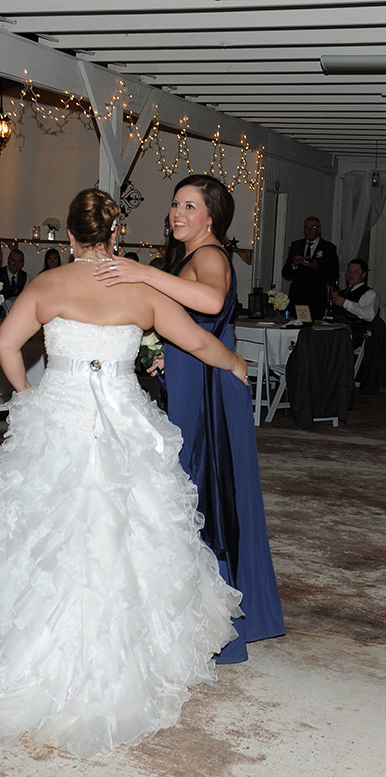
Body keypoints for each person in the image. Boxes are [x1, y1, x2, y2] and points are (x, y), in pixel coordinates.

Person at [0, 188, 249, 758]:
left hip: (59, 418)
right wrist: (236, 363)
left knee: (44, 535)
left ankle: (32, 650)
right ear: (116, 235)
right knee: (131, 531)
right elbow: (197, 340)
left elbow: (6, 344)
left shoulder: (46, 285)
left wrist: (28, 396)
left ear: (69, 236)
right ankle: (130, 657)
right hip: (124, 419)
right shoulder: (141, 289)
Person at [94, 174, 285, 664]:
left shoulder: (210, 255)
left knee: (207, 492)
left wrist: (142, 273)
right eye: (175, 204)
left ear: (211, 217)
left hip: (211, 391)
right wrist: (168, 355)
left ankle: (215, 622)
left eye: (189, 206)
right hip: (197, 379)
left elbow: (212, 302)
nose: (177, 213)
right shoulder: (192, 256)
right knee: (196, 490)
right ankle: (205, 614)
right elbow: (197, 324)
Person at [281, 216, 339, 321]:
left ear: (319, 230)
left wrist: (317, 267)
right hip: (297, 296)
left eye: (313, 227)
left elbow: (334, 274)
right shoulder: (296, 245)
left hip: (316, 297)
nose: (309, 230)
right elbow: (286, 273)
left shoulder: (328, 248)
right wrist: (295, 264)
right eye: (306, 227)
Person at [330, 258, 379, 345]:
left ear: (363, 274)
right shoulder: (342, 292)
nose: (350, 274)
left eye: (355, 272)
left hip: (354, 337)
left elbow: (370, 315)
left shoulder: (370, 293)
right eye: (349, 271)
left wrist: (345, 303)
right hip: (335, 333)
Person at [0, 248, 30, 313]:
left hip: (18, 311)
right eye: (13, 260)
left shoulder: (26, 277)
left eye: (19, 261)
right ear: (8, 260)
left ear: (23, 263)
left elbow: (26, 298)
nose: (16, 264)